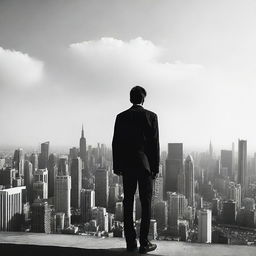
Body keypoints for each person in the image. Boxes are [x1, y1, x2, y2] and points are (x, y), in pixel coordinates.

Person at [112, 86, 160, 254]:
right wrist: (154, 168)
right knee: (146, 204)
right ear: (143, 99)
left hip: (127, 165)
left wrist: (117, 166)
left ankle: (131, 242)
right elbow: (154, 145)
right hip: (145, 166)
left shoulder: (121, 117)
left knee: (128, 202)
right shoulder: (151, 117)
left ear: (130, 99)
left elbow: (116, 143)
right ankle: (144, 243)